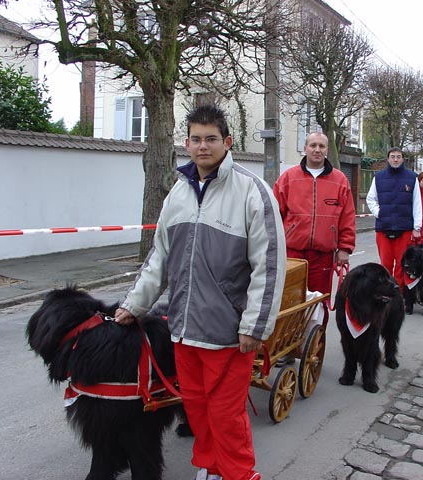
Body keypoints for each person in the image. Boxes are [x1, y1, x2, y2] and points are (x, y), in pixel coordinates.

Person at [114, 104, 286, 480]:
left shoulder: (252, 192)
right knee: (196, 408)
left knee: (226, 414)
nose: (203, 146)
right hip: (183, 327)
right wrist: (134, 305)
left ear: (227, 142)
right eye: (196, 139)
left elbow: (269, 266)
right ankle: (210, 467)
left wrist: (254, 326)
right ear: (186, 144)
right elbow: (159, 257)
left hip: (227, 332)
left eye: (211, 139)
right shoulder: (177, 194)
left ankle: (239, 474)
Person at [273, 132, 356, 294]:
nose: (317, 150)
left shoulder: (340, 180)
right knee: (290, 299)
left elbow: (347, 217)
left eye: (321, 146)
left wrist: (345, 248)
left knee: (319, 301)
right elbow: (274, 214)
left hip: (323, 254)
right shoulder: (288, 178)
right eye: (313, 145)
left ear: (327, 150)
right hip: (292, 252)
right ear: (305, 149)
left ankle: (318, 321)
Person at [366, 147, 422, 291]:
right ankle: (385, 292)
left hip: (404, 228)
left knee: (402, 264)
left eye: (398, 157)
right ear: (388, 159)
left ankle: (399, 293)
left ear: (403, 159)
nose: (395, 159)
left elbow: (417, 203)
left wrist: (417, 227)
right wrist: (380, 213)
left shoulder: (412, 177)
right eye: (393, 157)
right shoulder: (378, 177)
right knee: (385, 264)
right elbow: (371, 199)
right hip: (384, 227)